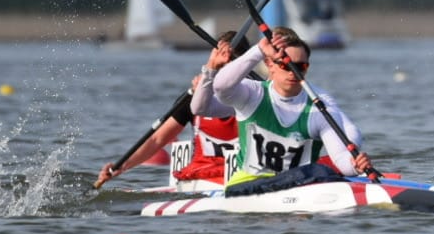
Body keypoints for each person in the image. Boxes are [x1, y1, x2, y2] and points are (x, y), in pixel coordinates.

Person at [210, 25, 376, 196]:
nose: (293, 72)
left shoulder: (318, 108)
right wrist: (258, 50)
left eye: (300, 66)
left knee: (325, 172)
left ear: (307, 67)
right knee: (321, 171)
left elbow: (342, 159)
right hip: (246, 187)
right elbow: (220, 87)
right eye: (286, 65)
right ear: (270, 64)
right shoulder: (253, 93)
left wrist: (355, 165)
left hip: (297, 187)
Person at [94, 31, 246, 189]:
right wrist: (122, 166)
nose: (225, 71)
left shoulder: (259, 93)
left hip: (244, 177)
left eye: (230, 65)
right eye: (220, 64)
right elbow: (157, 139)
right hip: (202, 178)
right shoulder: (194, 98)